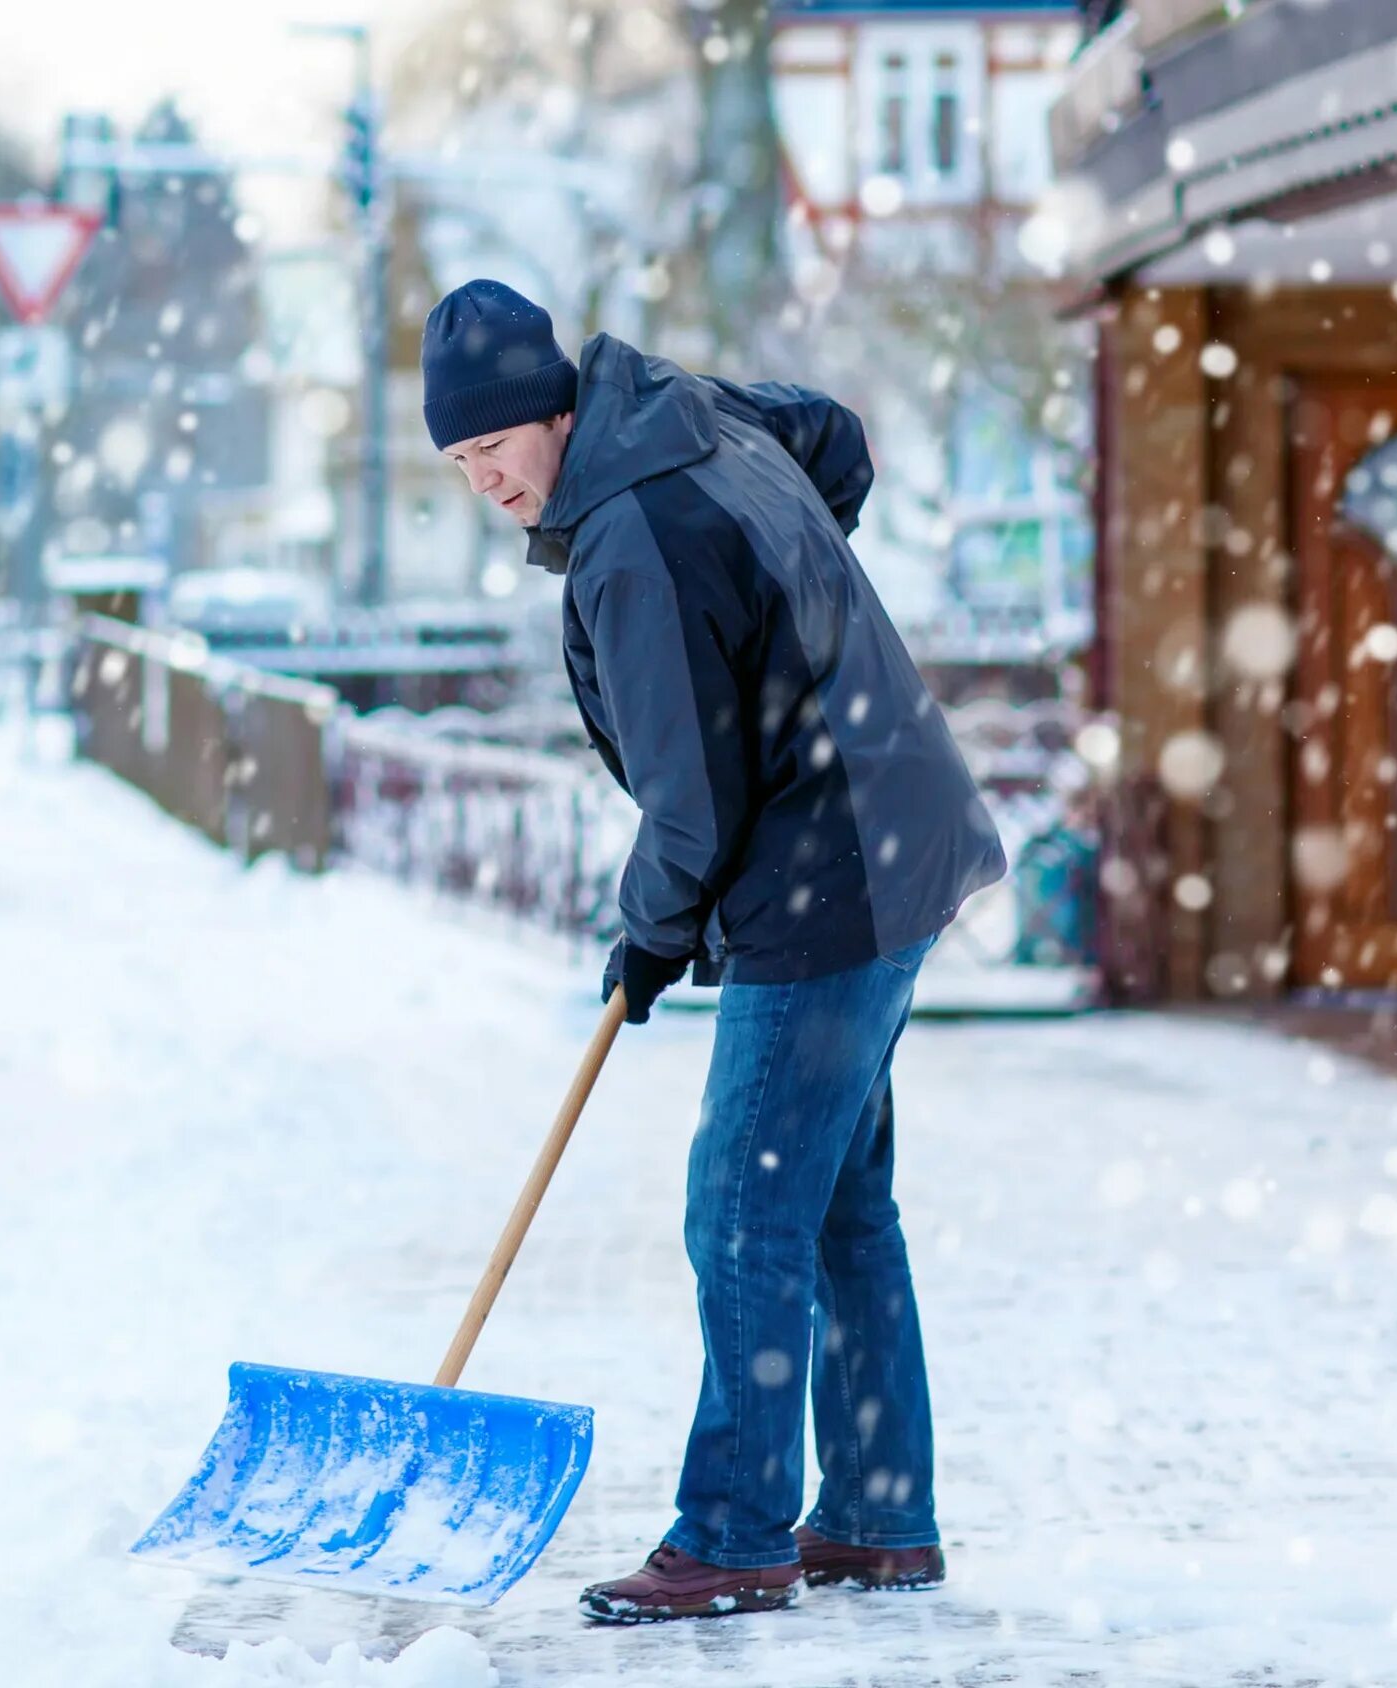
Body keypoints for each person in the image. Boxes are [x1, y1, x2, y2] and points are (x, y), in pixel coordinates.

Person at [420, 278, 1006, 1623]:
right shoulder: (686, 415)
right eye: (459, 462)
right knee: (838, 1202)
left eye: (495, 445)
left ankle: (739, 1531)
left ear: (550, 410)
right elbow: (836, 436)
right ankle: (873, 1512)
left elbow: (691, 802)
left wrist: (647, 935)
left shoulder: (628, 537)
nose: (485, 480)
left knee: (742, 1207)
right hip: (892, 830)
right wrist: (795, 622)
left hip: (829, 873)